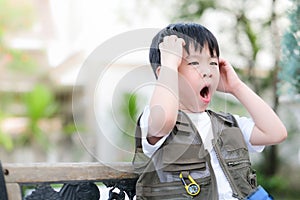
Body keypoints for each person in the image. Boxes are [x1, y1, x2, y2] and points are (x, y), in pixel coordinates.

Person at [132, 22, 287, 200]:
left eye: (213, 63)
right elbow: (164, 121)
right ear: (167, 73)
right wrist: (169, 63)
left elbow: (276, 133)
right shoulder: (153, 120)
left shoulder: (228, 124)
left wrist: (236, 86)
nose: (207, 71)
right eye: (194, 63)